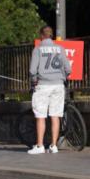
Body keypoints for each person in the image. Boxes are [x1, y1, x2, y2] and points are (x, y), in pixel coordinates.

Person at [28, 25, 72, 154]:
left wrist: (34, 81)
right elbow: (68, 69)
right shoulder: (60, 48)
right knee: (55, 115)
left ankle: (40, 145)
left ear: (41, 36)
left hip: (43, 85)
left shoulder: (38, 49)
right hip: (58, 85)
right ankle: (53, 145)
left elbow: (32, 70)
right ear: (51, 35)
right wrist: (62, 77)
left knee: (41, 115)